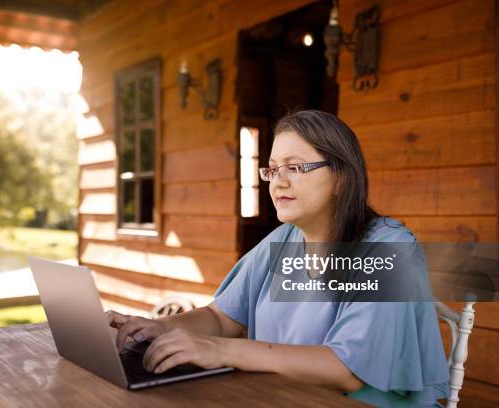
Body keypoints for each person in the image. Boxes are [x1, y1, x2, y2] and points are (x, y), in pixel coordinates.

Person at [106, 110, 450, 407]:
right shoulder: (284, 240)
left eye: (295, 168)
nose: (278, 182)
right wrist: (160, 328)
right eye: (272, 170)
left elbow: (346, 371)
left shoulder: (387, 248)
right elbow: (221, 316)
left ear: (341, 178)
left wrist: (221, 351)